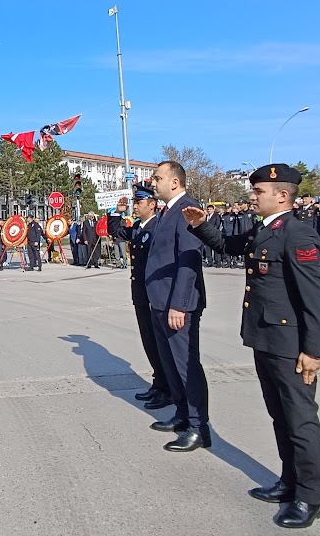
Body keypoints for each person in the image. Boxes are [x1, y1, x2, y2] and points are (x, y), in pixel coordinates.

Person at [188, 163, 320, 528]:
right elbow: (228, 245)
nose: (253, 197)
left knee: (300, 420)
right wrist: (201, 223)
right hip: (265, 338)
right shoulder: (264, 230)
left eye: (258, 192)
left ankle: (310, 497)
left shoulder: (297, 235)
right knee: (279, 414)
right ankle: (290, 482)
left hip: (289, 344)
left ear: (281, 195)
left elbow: (314, 298)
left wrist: (314, 351)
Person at [144, 161, 210, 453]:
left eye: (157, 177)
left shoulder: (187, 209)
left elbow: (189, 260)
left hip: (175, 304)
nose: (152, 182)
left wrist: (179, 305)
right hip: (159, 300)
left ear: (174, 182)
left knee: (186, 366)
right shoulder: (166, 211)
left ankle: (198, 427)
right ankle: (182, 416)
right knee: (170, 363)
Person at [109, 185, 171, 410]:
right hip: (141, 294)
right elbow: (115, 232)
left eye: (139, 202)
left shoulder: (158, 227)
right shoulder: (137, 227)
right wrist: (117, 212)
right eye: (134, 202)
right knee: (148, 340)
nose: (135, 206)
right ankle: (158, 383)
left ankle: (167, 388)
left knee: (159, 342)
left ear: (152, 204)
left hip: (155, 293)